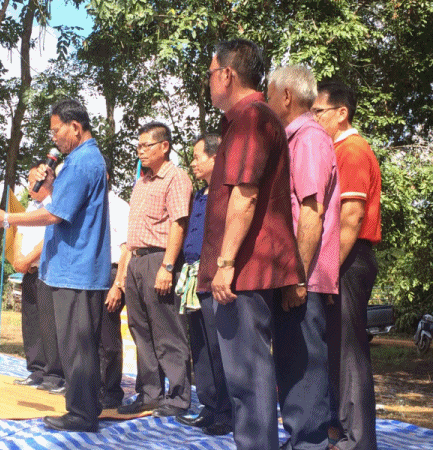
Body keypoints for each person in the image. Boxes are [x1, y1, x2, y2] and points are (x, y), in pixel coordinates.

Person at [197, 39, 305, 450]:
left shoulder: (251, 119)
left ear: (227, 74)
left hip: (243, 271)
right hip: (250, 269)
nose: (208, 81)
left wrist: (225, 263)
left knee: (247, 377)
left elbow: (245, 195)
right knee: (249, 375)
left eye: (211, 73)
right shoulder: (250, 119)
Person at [0, 98, 111, 433]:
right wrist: (51, 182)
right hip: (71, 269)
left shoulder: (82, 162)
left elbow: (55, 214)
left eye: (57, 131)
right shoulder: (79, 161)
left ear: (75, 126)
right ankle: (86, 407)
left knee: (77, 347)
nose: (54, 138)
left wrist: (7, 218)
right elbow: (63, 202)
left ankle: (82, 415)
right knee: (75, 346)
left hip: (76, 270)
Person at [268, 65, 341, 450]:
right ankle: (301, 439)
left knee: (304, 368)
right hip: (297, 275)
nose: (266, 102)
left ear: (286, 96)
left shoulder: (309, 139)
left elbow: (311, 212)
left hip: (304, 278)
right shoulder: (294, 139)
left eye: (269, 94)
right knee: (292, 366)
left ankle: (309, 443)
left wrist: (296, 275)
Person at [313, 80, 381, 450]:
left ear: (342, 113)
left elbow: (352, 217)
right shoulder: (336, 149)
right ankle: (338, 430)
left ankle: (358, 440)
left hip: (349, 259)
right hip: (340, 259)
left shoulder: (352, 150)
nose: (314, 118)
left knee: (351, 351)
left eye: (319, 111)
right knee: (336, 348)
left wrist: (328, 271)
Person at [117, 121, 193, 418]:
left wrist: (167, 266)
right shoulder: (142, 182)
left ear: (164, 146)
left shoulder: (176, 177)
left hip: (159, 259)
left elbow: (179, 223)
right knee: (140, 330)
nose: (141, 151)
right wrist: (126, 268)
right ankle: (150, 393)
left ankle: (178, 397)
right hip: (136, 261)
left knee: (167, 331)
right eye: (138, 146)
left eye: (146, 145)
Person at [175, 134, 233, 436]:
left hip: (215, 276)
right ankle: (208, 406)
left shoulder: (227, 193)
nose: (193, 163)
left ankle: (226, 412)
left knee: (217, 345)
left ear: (214, 157)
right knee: (198, 343)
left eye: (198, 157)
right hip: (193, 277)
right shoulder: (199, 195)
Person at [12, 163, 65, 394]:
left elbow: (50, 239)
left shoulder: (54, 206)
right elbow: (19, 233)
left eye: (33, 181)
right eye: (28, 181)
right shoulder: (31, 207)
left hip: (47, 271)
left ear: (46, 181)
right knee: (31, 323)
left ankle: (54, 374)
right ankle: (36, 370)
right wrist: (18, 259)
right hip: (28, 272)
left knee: (49, 324)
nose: (29, 186)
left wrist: (28, 258)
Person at [100, 157, 130, 409]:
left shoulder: (119, 207)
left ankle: (110, 391)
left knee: (108, 336)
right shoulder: (87, 206)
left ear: (106, 176)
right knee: (88, 335)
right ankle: (91, 387)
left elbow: (126, 249)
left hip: (110, 274)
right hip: (88, 276)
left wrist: (118, 285)